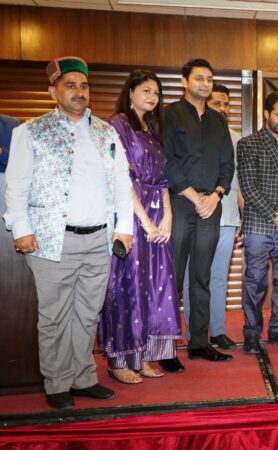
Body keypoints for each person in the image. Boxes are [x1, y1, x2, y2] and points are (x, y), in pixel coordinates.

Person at [3, 56, 133, 409]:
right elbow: (16, 185)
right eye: (70, 85)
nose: (79, 92)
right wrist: (21, 228)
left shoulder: (106, 132)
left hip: (100, 239)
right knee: (55, 314)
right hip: (52, 239)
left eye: (84, 85)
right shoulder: (30, 131)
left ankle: (83, 378)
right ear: (53, 92)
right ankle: (57, 382)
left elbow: (122, 183)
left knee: (88, 312)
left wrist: (124, 228)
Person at [98, 69, 181, 384]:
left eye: (157, 92)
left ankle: (142, 354)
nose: (153, 96)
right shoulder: (118, 124)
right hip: (131, 217)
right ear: (130, 93)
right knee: (128, 287)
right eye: (146, 90)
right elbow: (123, 179)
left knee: (154, 287)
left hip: (157, 220)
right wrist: (145, 222)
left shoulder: (152, 129)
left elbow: (161, 181)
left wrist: (167, 216)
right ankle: (120, 360)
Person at [163, 58, 235, 368]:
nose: (205, 84)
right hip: (181, 203)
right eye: (199, 78)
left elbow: (227, 165)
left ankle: (199, 343)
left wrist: (216, 195)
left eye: (209, 79)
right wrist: (195, 197)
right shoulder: (169, 115)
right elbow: (166, 161)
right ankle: (165, 348)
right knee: (173, 277)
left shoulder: (219, 121)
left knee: (202, 277)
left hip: (211, 207)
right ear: (184, 81)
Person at [238, 91, 278, 352]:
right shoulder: (248, 143)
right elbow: (248, 186)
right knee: (255, 281)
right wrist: (276, 214)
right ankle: (252, 334)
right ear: (266, 113)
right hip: (258, 224)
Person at [182, 83, 242, 351]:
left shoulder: (237, 138)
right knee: (193, 278)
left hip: (227, 218)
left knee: (218, 278)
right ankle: (194, 334)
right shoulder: (192, 134)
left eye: (226, 104)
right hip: (197, 216)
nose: (222, 108)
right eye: (217, 103)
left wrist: (241, 217)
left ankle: (217, 331)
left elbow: (239, 182)